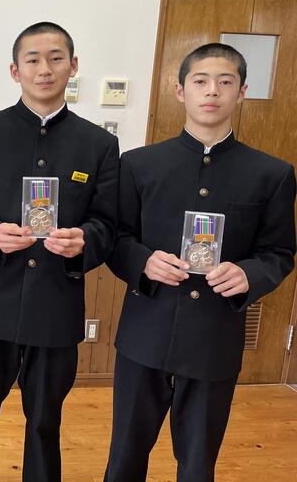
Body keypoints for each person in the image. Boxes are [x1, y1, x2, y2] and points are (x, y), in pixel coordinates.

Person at [104, 43, 296, 481]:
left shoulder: (271, 174)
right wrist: (143, 262)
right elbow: (116, 239)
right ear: (180, 90)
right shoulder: (139, 164)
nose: (212, 91)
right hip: (145, 334)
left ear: (241, 93)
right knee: (125, 457)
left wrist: (248, 273)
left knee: (197, 463)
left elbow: (279, 253)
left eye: (225, 82)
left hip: (214, 339)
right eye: (201, 81)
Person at [0, 22, 119, 481]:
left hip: (56, 304)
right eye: (33, 60)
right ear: (15, 70)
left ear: (73, 66)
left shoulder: (99, 144)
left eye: (56, 58)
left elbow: (107, 223)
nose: (45, 69)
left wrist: (84, 240)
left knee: (45, 422)